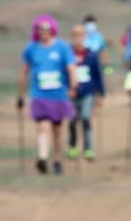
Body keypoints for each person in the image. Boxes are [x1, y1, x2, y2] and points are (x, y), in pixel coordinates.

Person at [17, 15, 76, 175]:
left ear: (53, 30)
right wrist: (20, 95)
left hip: (58, 95)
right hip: (39, 94)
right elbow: (24, 71)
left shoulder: (62, 47)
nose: (44, 33)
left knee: (57, 130)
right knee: (43, 126)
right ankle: (42, 158)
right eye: (40, 30)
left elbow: (71, 68)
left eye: (47, 29)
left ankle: (57, 159)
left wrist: (73, 86)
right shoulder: (31, 48)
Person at [68, 24, 106, 161]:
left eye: (80, 35)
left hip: (88, 92)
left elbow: (97, 75)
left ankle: (88, 149)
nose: (78, 38)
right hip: (71, 93)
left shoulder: (91, 55)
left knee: (85, 117)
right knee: (72, 120)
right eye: (75, 35)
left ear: (84, 37)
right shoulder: (68, 54)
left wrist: (100, 94)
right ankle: (72, 146)